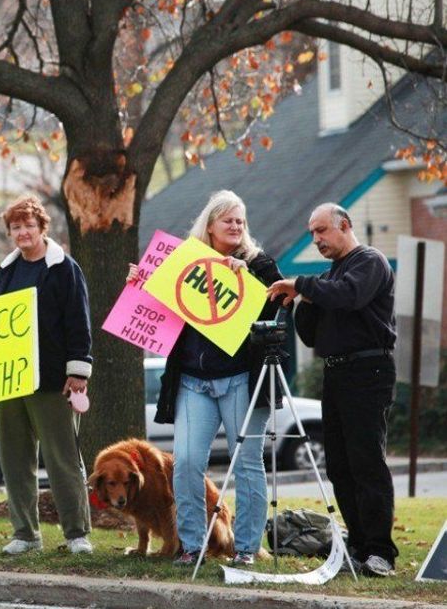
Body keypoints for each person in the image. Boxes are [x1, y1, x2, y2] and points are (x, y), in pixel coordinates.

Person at [138, 190, 282, 567]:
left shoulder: (259, 263)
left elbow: (280, 303)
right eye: (228, 220)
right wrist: (142, 283)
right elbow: (159, 307)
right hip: (192, 381)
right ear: (210, 225)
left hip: (240, 380)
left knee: (247, 461)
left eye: (241, 221)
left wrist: (246, 277)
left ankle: (246, 548)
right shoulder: (183, 261)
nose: (236, 227)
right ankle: (191, 546)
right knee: (185, 463)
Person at [267, 203, 397, 577]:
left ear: (344, 225)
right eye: (312, 233)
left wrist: (304, 286)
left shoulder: (369, 261)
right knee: (339, 466)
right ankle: (356, 546)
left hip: (368, 369)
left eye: (322, 230)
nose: (316, 239)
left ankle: (380, 552)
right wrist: (301, 302)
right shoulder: (328, 278)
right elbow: (311, 336)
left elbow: (349, 296)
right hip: (336, 372)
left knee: (366, 462)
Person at [0, 195, 93, 555]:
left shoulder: (65, 269)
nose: (22, 232)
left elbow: (78, 323)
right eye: (15, 227)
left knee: (62, 458)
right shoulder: (5, 272)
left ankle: (77, 533)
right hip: (8, 382)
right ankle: (25, 534)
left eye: (28, 226)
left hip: (52, 381)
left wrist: (78, 371)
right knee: (15, 459)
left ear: (41, 228)